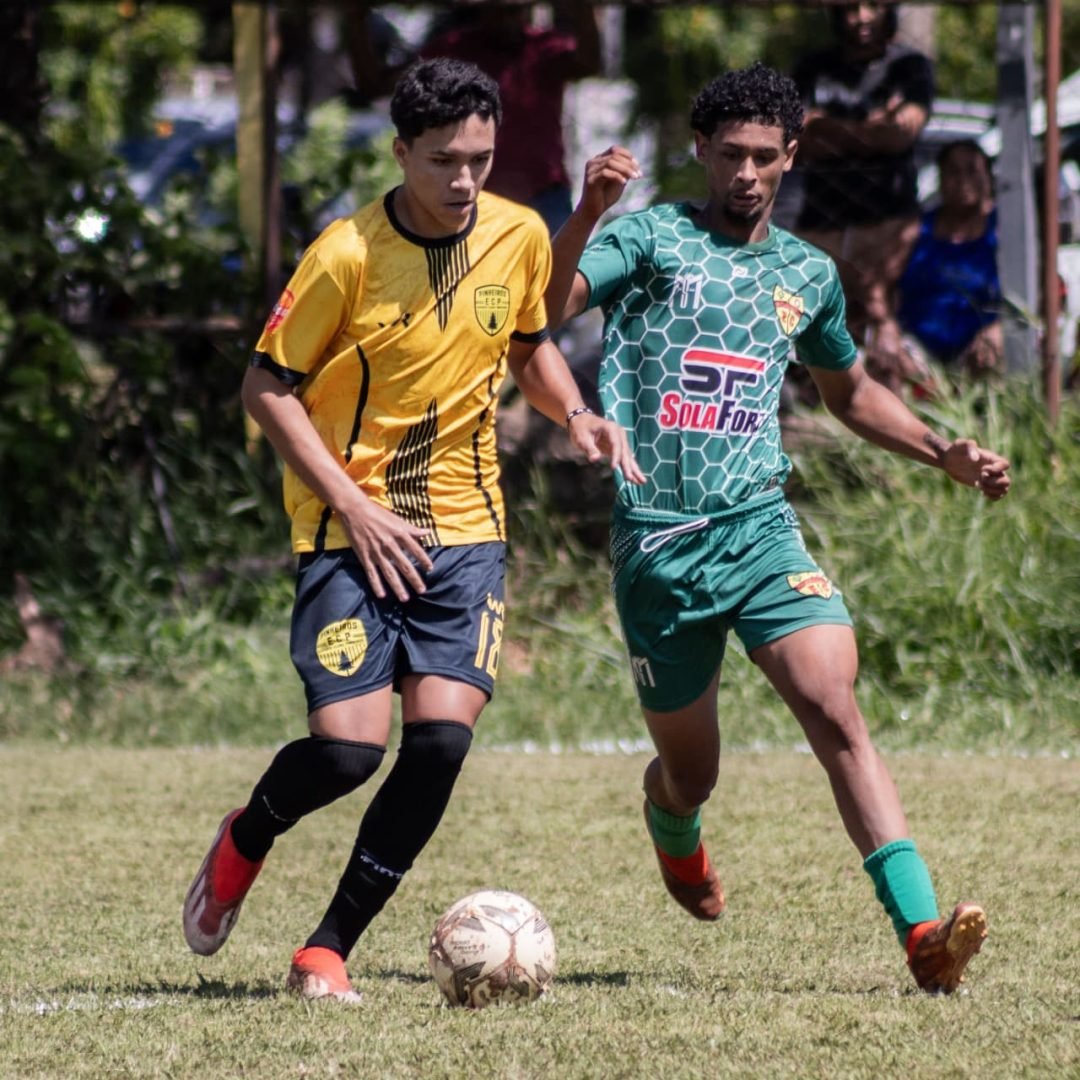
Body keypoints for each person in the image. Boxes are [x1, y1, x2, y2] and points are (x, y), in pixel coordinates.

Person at [182, 57, 642, 1003]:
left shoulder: (516, 235)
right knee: (348, 752)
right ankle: (247, 835)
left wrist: (575, 415)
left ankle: (326, 949)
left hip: (467, 534)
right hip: (351, 531)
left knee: (437, 745)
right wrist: (351, 505)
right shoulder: (345, 255)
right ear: (400, 154)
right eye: (443, 161)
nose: (465, 180)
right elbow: (265, 388)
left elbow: (526, 344)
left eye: (479, 157)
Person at [545, 62, 1010, 994]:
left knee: (834, 708)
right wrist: (588, 213)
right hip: (661, 546)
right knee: (693, 775)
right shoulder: (648, 238)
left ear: (792, 156)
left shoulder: (807, 273)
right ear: (701, 153)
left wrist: (939, 451)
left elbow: (850, 393)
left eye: (765, 156)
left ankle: (922, 933)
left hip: (759, 529)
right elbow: (543, 312)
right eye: (730, 156)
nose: (747, 173)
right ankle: (672, 823)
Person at [793, 1, 934, 369]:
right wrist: (872, 128)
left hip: (888, 217)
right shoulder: (812, 67)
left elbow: (902, 134)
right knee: (820, 319)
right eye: (850, 8)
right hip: (822, 218)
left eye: (872, 6)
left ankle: (890, 406)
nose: (862, 18)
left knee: (880, 313)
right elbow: (798, 140)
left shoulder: (910, 66)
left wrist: (828, 127)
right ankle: (815, 409)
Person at [422, 1, 602, 235]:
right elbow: (377, 86)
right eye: (500, 11)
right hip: (477, 197)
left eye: (515, 11)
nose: (508, 20)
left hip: (544, 194)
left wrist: (584, 9)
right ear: (483, 12)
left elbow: (589, 63)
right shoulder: (455, 50)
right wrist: (356, 22)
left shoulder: (544, 47)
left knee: (558, 269)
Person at [881, 139, 1003, 393]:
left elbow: (1037, 292)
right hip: (918, 350)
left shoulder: (1004, 232)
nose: (962, 180)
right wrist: (887, 327)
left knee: (996, 353)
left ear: (989, 178)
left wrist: (999, 330)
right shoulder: (915, 231)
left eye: (972, 170)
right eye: (953, 172)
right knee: (886, 359)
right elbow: (879, 286)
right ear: (940, 180)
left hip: (983, 348)